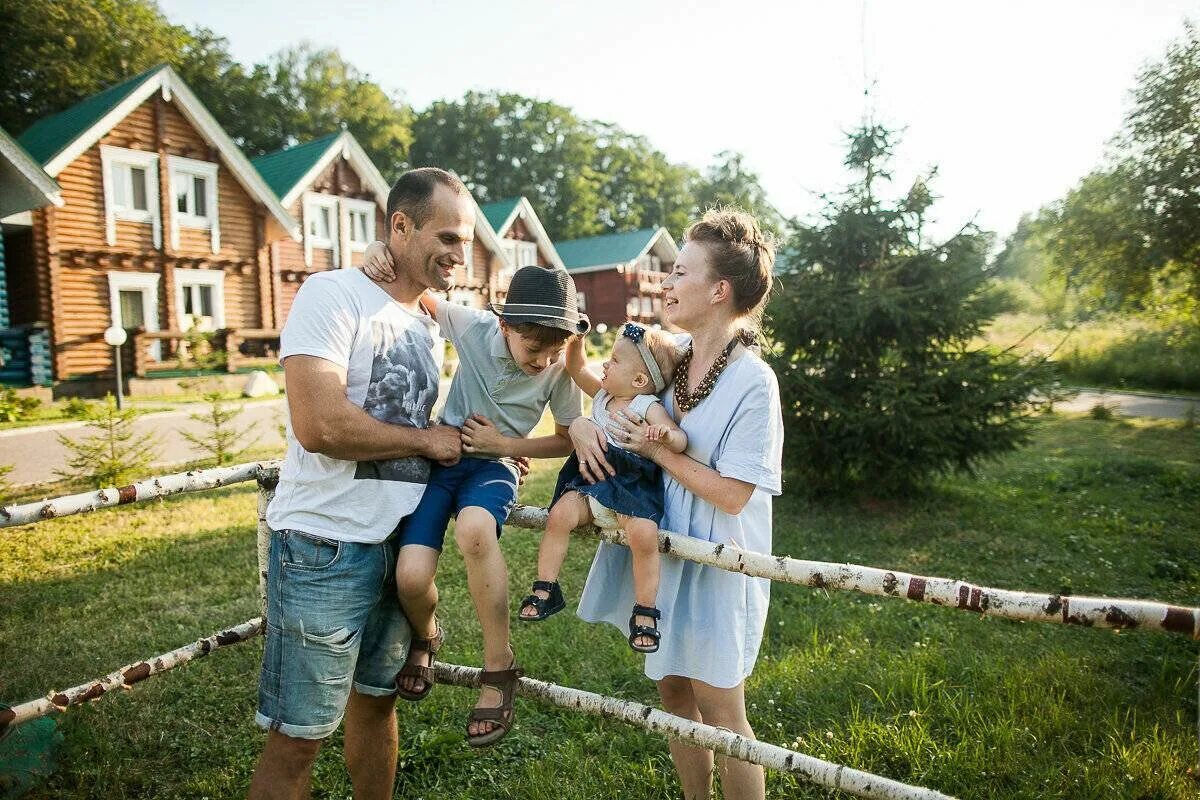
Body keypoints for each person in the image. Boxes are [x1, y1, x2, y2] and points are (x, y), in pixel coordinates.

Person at [247, 167, 469, 800]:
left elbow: (530, 340)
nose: (460, 254)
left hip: (400, 546)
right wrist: (428, 441)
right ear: (400, 225)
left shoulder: (430, 315)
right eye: (448, 237)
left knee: (377, 705)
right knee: (298, 737)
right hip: (325, 547)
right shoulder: (332, 294)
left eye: (467, 241)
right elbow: (318, 424)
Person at [571, 209, 783, 800]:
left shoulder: (751, 381)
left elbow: (734, 494)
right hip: (666, 554)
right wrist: (584, 431)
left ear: (719, 290)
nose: (667, 280)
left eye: (680, 271)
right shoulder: (673, 356)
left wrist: (659, 453)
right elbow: (610, 392)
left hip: (719, 562)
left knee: (722, 709)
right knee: (671, 690)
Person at [361, 246, 585, 747]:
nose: (544, 362)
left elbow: (566, 436)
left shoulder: (559, 370)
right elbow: (422, 295)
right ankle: (426, 636)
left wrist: (505, 445)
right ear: (505, 326)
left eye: (554, 352)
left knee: (475, 528)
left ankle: (498, 667)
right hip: (442, 461)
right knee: (411, 576)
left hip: (496, 466)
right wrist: (381, 254)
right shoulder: (474, 326)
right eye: (535, 350)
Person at [518, 322, 686, 655]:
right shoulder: (603, 395)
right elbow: (576, 367)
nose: (605, 364)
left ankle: (645, 611)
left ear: (639, 381)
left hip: (630, 488)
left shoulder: (646, 406)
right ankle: (545, 588)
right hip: (591, 483)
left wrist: (666, 436)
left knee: (643, 536)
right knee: (559, 516)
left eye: (614, 359)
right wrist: (578, 338)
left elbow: (679, 439)